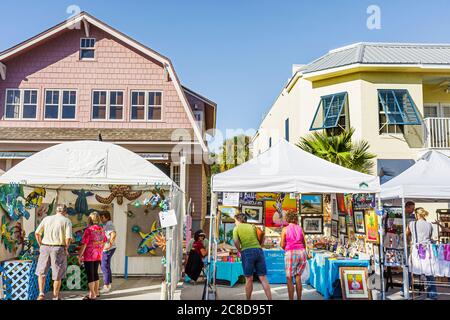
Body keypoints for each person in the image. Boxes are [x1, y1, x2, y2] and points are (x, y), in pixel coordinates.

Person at [35, 204, 73, 300]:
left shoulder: (47, 218)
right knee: (57, 274)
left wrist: (40, 245)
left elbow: (37, 233)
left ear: (56, 210)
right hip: (58, 248)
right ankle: (55, 297)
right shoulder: (66, 221)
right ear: (64, 212)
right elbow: (68, 238)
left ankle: (41, 294)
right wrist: (66, 248)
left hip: (45, 246)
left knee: (41, 272)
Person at [233, 214, 272, 300]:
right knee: (263, 277)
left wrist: (240, 249)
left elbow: (236, 241)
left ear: (239, 220)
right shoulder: (253, 226)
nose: (234, 222)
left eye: (235, 221)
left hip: (247, 252)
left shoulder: (236, 228)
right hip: (258, 251)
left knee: (249, 278)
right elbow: (262, 236)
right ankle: (270, 299)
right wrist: (259, 246)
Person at [406, 208, 437, 300]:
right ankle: (432, 294)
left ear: (417, 215)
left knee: (410, 270)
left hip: (416, 249)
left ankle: (405, 291)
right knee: (429, 272)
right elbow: (430, 236)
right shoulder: (429, 224)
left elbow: (407, 233)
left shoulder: (412, 224)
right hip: (427, 250)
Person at [78, 212, 107, 300]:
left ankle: (92, 294)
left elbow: (84, 244)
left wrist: (80, 255)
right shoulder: (101, 229)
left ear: (90, 219)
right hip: (98, 255)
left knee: (90, 275)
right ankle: (96, 292)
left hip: (89, 255)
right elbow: (105, 240)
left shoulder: (89, 230)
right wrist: (99, 248)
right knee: (95, 273)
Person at [280, 212, 307, 300]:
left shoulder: (285, 229)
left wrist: (286, 248)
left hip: (291, 252)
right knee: (298, 276)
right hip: (302, 252)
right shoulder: (300, 228)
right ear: (295, 219)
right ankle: (299, 299)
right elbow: (304, 242)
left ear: (287, 219)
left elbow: (282, 244)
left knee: (289, 278)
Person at [400, 201, 416, 297]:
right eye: (412, 208)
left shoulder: (412, 217)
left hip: (410, 245)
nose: (413, 210)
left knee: (408, 268)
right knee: (407, 267)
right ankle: (404, 288)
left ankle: (404, 288)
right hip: (405, 244)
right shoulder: (403, 216)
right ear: (407, 207)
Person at [99, 211, 116, 294]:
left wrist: (109, 245)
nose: (101, 219)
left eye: (102, 217)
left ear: (107, 217)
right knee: (107, 266)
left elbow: (113, 234)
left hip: (108, 249)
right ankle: (109, 284)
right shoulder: (106, 224)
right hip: (108, 248)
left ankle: (106, 286)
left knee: (104, 266)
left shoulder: (109, 224)